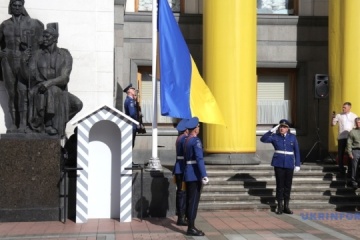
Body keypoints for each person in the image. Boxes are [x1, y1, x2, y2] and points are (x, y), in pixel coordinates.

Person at [21, 22, 83, 137]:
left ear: (55, 39)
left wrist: (49, 82)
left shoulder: (64, 54)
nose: (43, 39)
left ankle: (58, 122)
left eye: (46, 36)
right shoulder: (37, 55)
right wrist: (24, 62)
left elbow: (65, 77)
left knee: (77, 104)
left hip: (59, 89)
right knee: (52, 91)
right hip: (39, 89)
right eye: (43, 36)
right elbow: (29, 76)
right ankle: (49, 125)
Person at [0, 0, 44, 132]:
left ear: (23, 7)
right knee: (12, 94)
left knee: (23, 92)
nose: (17, 8)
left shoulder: (33, 23)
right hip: (8, 61)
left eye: (20, 5)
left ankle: (24, 124)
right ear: (11, 7)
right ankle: (14, 124)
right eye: (15, 5)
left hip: (24, 60)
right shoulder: (4, 25)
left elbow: (42, 42)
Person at [260, 119, 300, 215]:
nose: (282, 128)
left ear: (287, 129)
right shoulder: (275, 136)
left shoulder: (292, 137)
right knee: (280, 185)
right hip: (278, 163)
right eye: (281, 127)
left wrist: (297, 164)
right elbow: (263, 139)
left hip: (289, 163)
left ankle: (286, 206)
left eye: (284, 127)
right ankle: (279, 206)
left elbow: (297, 151)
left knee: (288, 185)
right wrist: (271, 130)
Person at [183, 117, 208, 236]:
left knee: (189, 199)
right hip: (194, 174)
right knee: (193, 200)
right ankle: (191, 227)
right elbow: (199, 159)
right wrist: (204, 175)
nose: (199, 128)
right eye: (198, 126)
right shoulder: (196, 141)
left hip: (188, 172)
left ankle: (190, 223)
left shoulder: (187, 140)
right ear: (195, 129)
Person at [332, 102, 358, 176]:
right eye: (343, 107)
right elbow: (332, 124)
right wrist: (332, 118)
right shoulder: (339, 115)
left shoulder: (354, 116)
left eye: (345, 107)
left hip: (351, 137)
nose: (343, 109)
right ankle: (341, 170)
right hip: (341, 137)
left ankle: (350, 170)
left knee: (351, 153)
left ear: (349, 108)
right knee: (341, 153)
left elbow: (357, 125)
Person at [173, 118, 188, 226]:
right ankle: (181, 217)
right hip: (182, 168)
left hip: (179, 167)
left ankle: (180, 214)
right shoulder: (184, 139)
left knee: (180, 192)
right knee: (182, 193)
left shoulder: (180, 138)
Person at [346, 117, 360, 189]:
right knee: (354, 167)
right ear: (355, 123)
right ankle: (354, 181)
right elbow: (349, 143)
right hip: (356, 150)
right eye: (357, 122)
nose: (358, 124)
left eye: (359, 122)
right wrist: (350, 153)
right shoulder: (352, 132)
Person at [123, 83, 138, 148]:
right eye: (132, 89)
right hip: (132, 125)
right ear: (129, 91)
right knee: (130, 145)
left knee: (131, 144)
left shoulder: (131, 100)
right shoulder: (130, 101)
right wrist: (136, 121)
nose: (134, 89)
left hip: (132, 125)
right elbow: (132, 113)